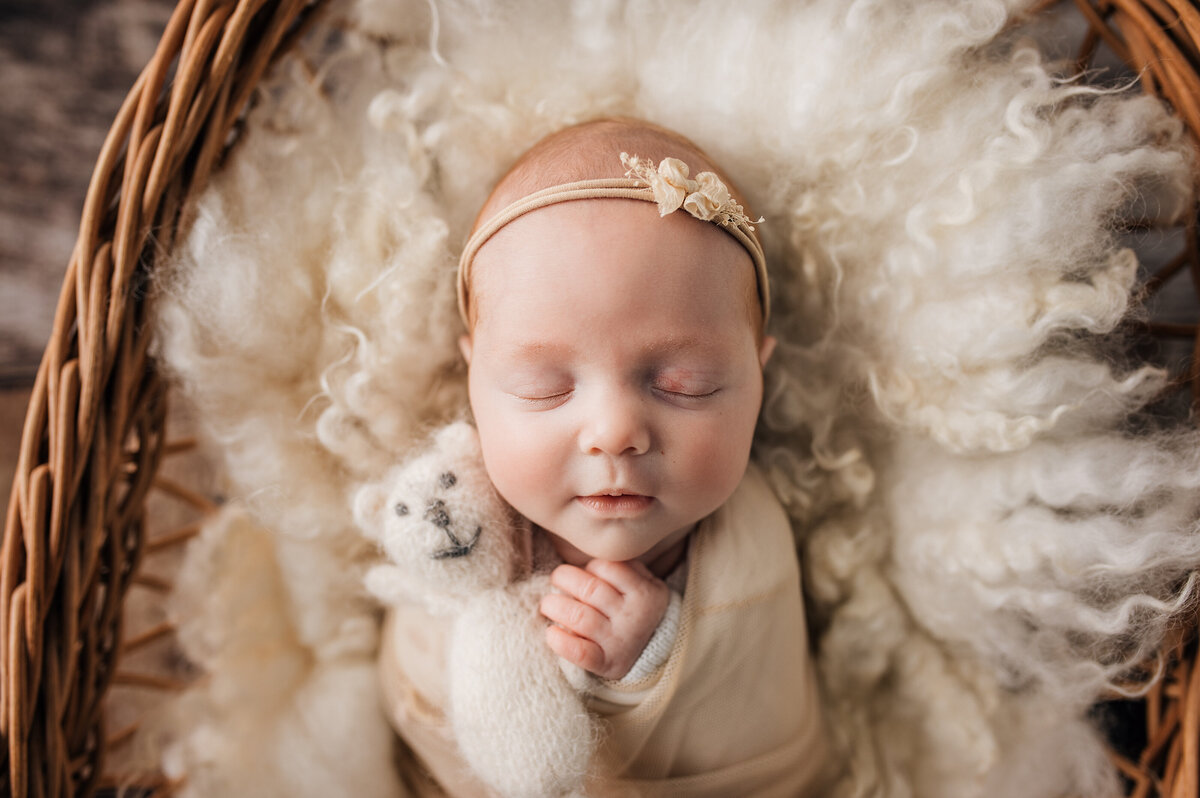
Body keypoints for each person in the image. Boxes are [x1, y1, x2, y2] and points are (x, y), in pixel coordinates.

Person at [379, 117, 828, 796]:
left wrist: (659, 650)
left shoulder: (748, 544)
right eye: (544, 386)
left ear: (758, 378)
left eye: (684, 385)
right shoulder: (460, 496)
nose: (614, 432)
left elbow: (758, 708)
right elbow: (415, 664)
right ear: (474, 381)